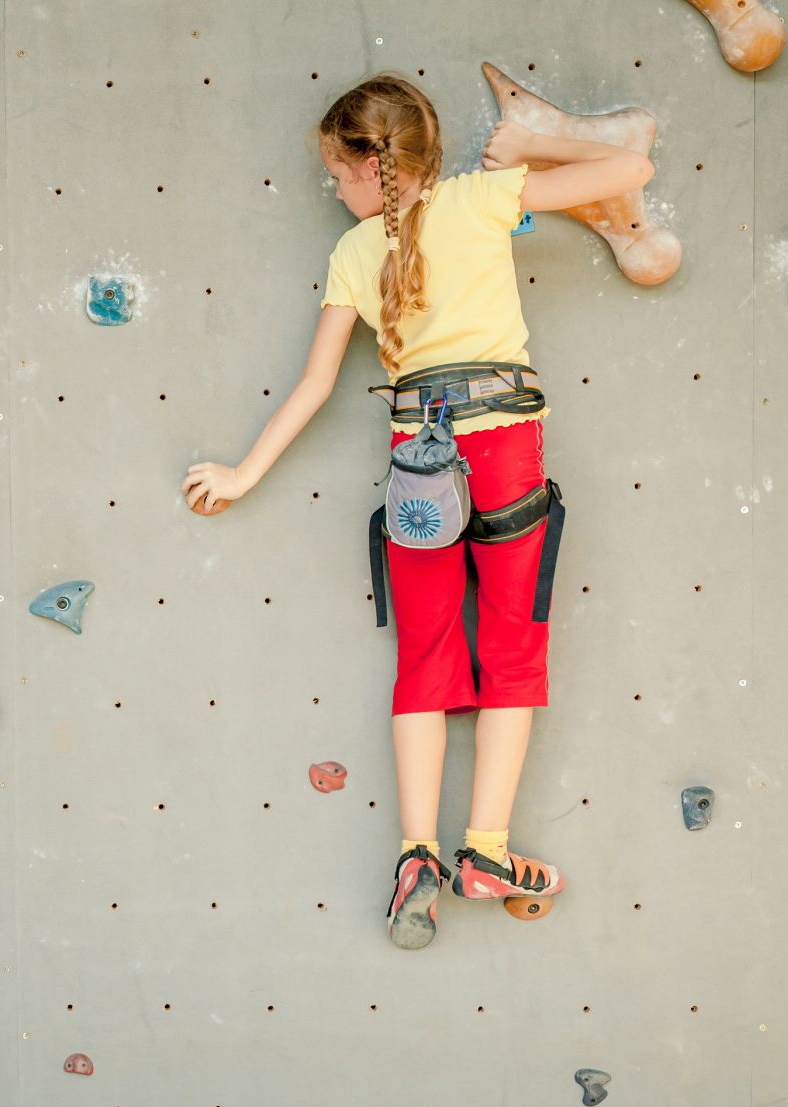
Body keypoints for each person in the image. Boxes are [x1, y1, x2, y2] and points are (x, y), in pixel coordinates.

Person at [181, 74, 653, 948]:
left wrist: (245, 474)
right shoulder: (484, 201)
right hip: (504, 451)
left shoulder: (356, 255)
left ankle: (415, 857)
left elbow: (318, 384)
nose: (332, 188)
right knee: (513, 646)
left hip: (418, 466)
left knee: (426, 654)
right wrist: (533, 147)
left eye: (335, 171)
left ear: (369, 165)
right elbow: (631, 160)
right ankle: (486, 851)